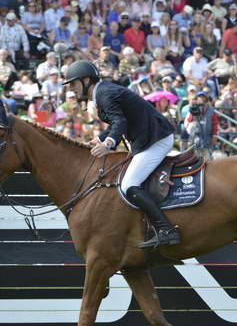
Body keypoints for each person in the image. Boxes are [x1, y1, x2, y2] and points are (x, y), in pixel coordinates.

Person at [62, 60, 179, 249]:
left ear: (85, 80)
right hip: (148, 138)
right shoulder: (102, 92)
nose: (72, 90)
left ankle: (167, 230)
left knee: (129, 184)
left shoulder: (104, 94)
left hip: (157, 139)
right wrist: (100, 138)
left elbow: (120, 122)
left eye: (74, 84)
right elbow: (118, 123)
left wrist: (108, 144)